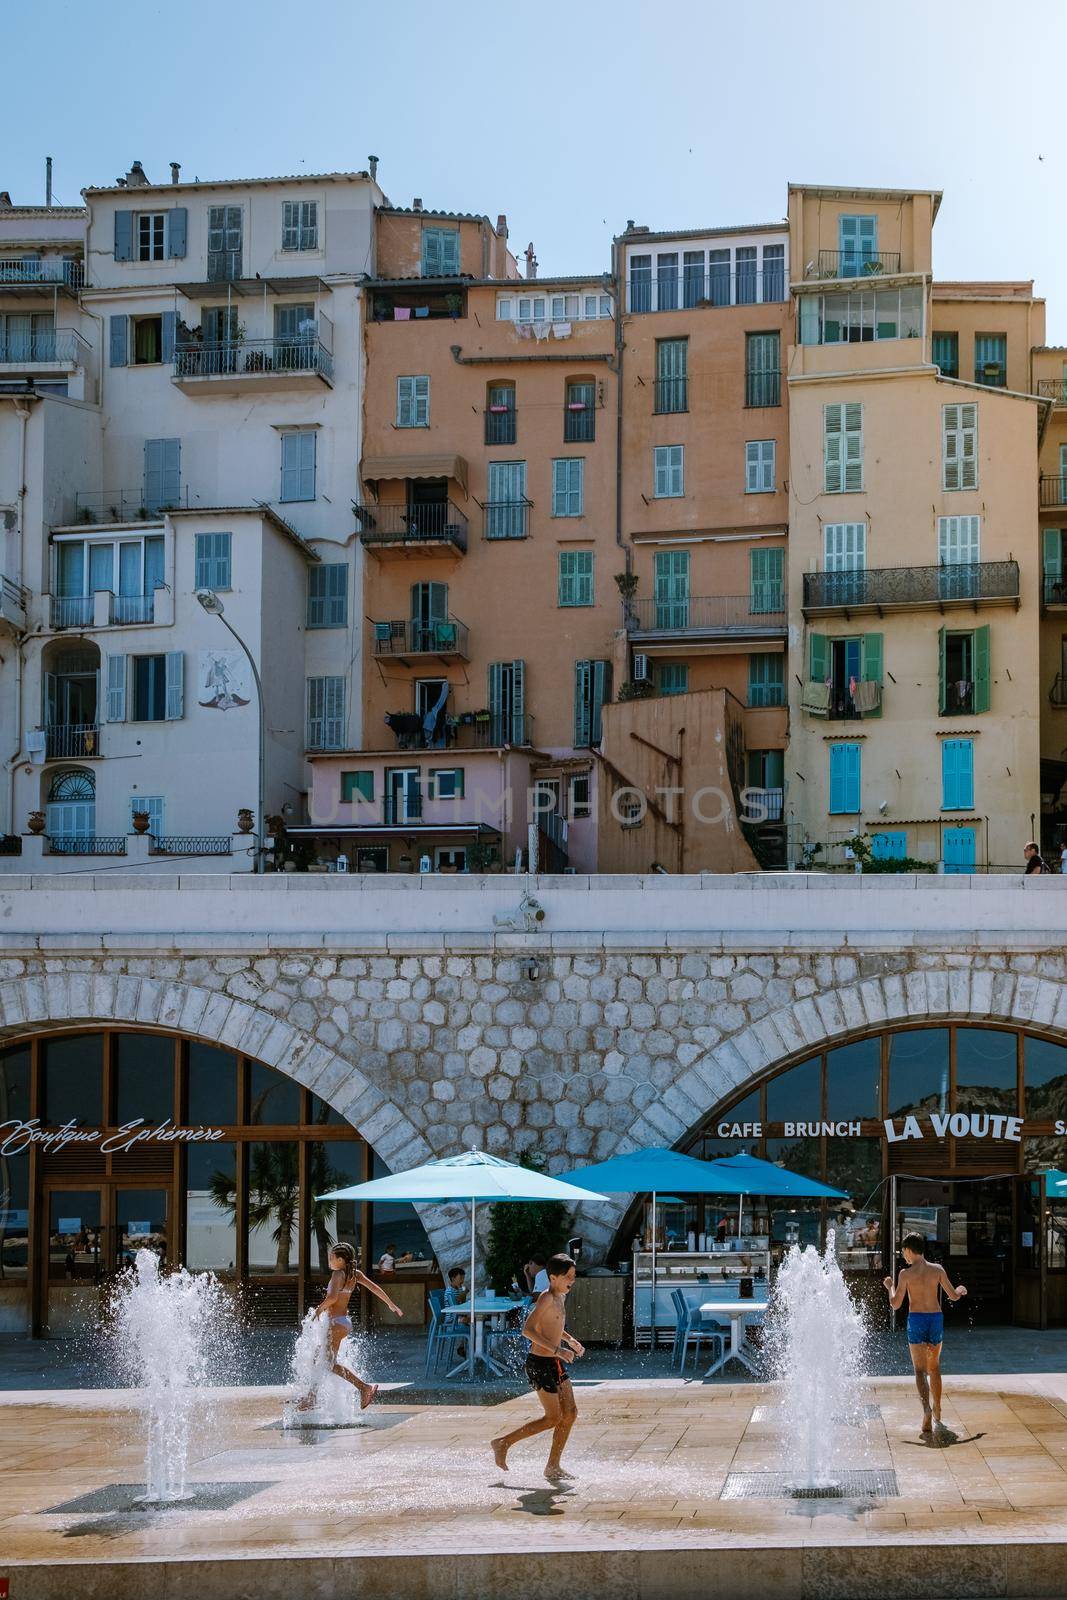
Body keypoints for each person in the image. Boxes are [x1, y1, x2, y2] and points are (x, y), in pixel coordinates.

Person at [491, 1254, 584, 1483]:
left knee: (570, 1413)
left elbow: (552, 1325)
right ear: (553, 1278)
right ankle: (503, 1443)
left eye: (573, 1276)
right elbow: (528, 1329)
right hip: (539, 1364)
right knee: (553, 1417)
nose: (572, 1280)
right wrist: (558, 1350)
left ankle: (553, 1466)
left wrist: (569, 1340)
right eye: (568, 1277)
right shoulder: (546, 1298)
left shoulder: (560, 1296)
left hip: (554, 1362)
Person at [299, 1242, 403, 1413]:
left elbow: (332, 1298)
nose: (329, 1261)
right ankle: (311, 1396)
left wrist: (317, 1311)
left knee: (328, 1363)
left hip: (336, 1323)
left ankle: (363, 1388)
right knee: (319, 1357)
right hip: (343, 1322)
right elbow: (374, 1288)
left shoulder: (338, 1274)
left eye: (331, 1257)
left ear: (340, 1259)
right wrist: (391, 1304)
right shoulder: (355, 1274)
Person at [883, 1233, 967, 1437]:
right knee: (934, 1367)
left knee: (920, 1371)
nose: (903, 1255)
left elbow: (895, 1304)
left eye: (903, 1251)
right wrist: (961, 1290)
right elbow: (953, 1296)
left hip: (917, 1320)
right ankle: (938, 1408)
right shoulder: (937, 1270)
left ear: (910, 1250)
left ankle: (926, 1410)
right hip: (935, 1319)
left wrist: (889, 1287)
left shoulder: (905, 1274)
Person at [443, 1264, 469, 1358]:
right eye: (460, 1278)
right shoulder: (450, 1291)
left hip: (457, 1317)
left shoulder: (457, 1289)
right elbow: (456, 1307)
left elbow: (462, 1303)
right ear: (453, 1278)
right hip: (452, 1320)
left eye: (463, 1278)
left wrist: (464, 1294)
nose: (462, 1280)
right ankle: (468, 1351)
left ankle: (464, 1347)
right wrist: (465, 1292)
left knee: (474, 1322)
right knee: (473, 1324)